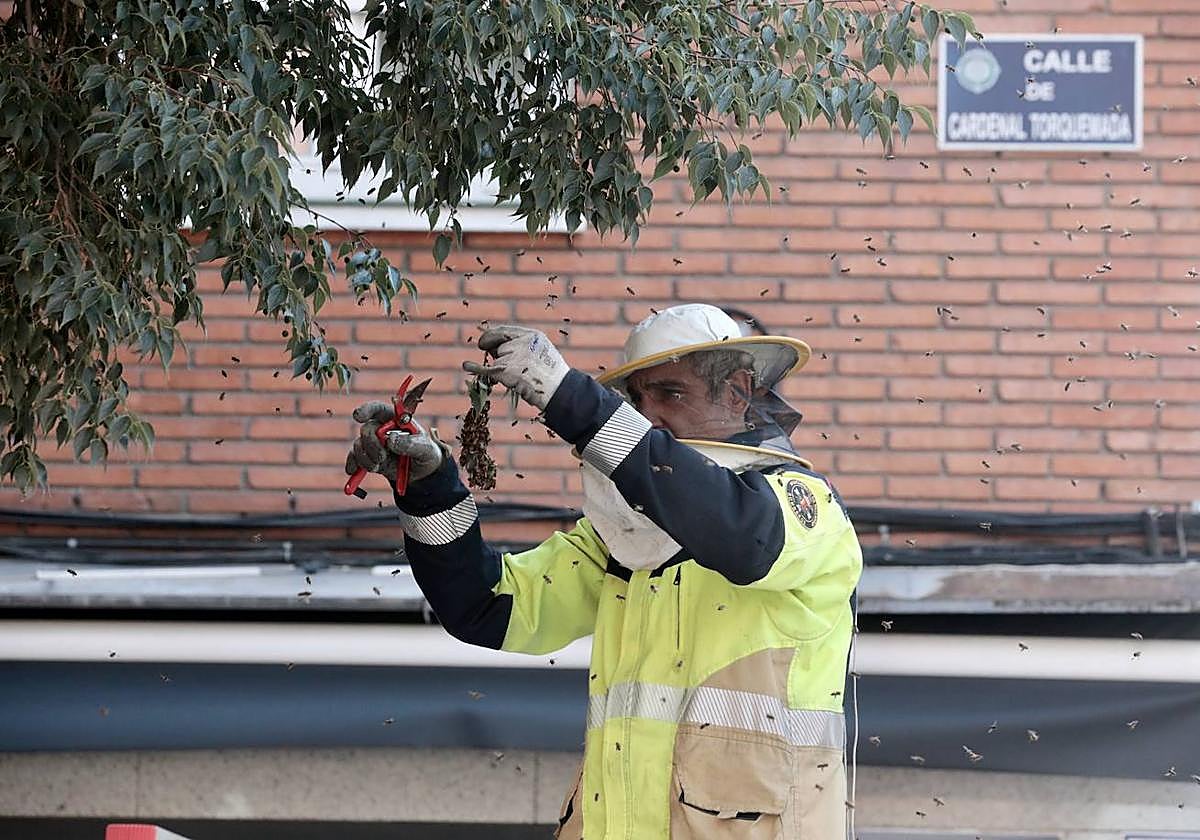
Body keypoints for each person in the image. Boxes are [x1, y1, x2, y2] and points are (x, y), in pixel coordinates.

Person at [345, 303, 863, 839]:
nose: (649, 415)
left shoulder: (804, 507)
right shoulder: (619, 538)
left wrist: (572, 399)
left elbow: (741, 536)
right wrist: (430, 488)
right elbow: (488, 605)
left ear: (736, 392)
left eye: (671, 393)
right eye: (637, 399)